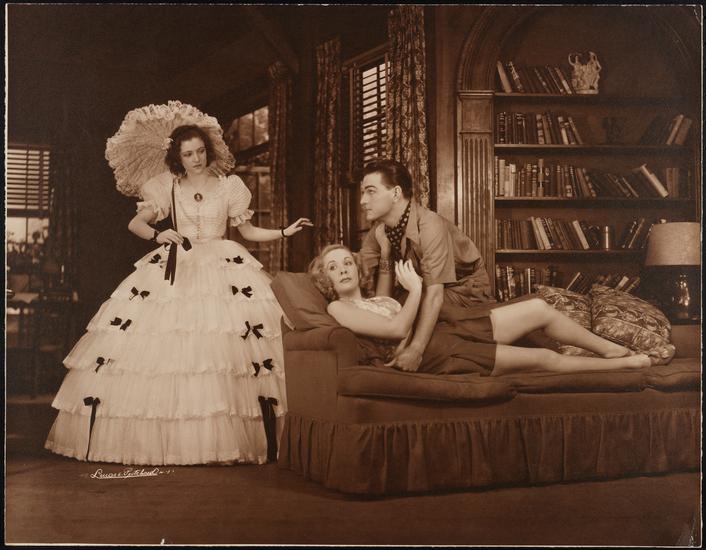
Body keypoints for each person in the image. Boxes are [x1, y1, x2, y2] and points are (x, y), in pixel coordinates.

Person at [45, 103, 312, 466]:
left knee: (224, 350)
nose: (196, 159)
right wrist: (159, 234)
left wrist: (283, 231)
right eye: (188, 154)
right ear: (178, 158)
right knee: (174, 348)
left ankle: (228, 438)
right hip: (178, 266)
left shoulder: (229, 186)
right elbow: (136, 224)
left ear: (208, 150)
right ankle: (177, 439)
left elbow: (247, 231)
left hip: (224, 266)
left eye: (200, 151)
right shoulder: (165, 187)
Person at [309, 244, 653, 376]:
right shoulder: (338, 308)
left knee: (538, 308)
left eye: (347, 262)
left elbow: (401, 312)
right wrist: (415, 290)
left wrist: (388, 255)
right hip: (435, 352)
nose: (342, 269)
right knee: (541, 360)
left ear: (357, 268)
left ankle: (612, 349)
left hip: (443, 330)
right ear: (325, 279)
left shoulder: (377, 300)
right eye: (332, 267)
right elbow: (398, 330)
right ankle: (623, 364)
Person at [358, 158, 496, 372]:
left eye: (370, 191)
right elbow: (360, 275)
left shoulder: (430, 224)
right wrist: (385, 252)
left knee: (406, 305)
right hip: (422, 291)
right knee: (393, 307)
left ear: (396, 193)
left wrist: (416, 350)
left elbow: (435, 295)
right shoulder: (379, 231)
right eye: (362, 193)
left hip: (464, 291)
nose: (362, 200)